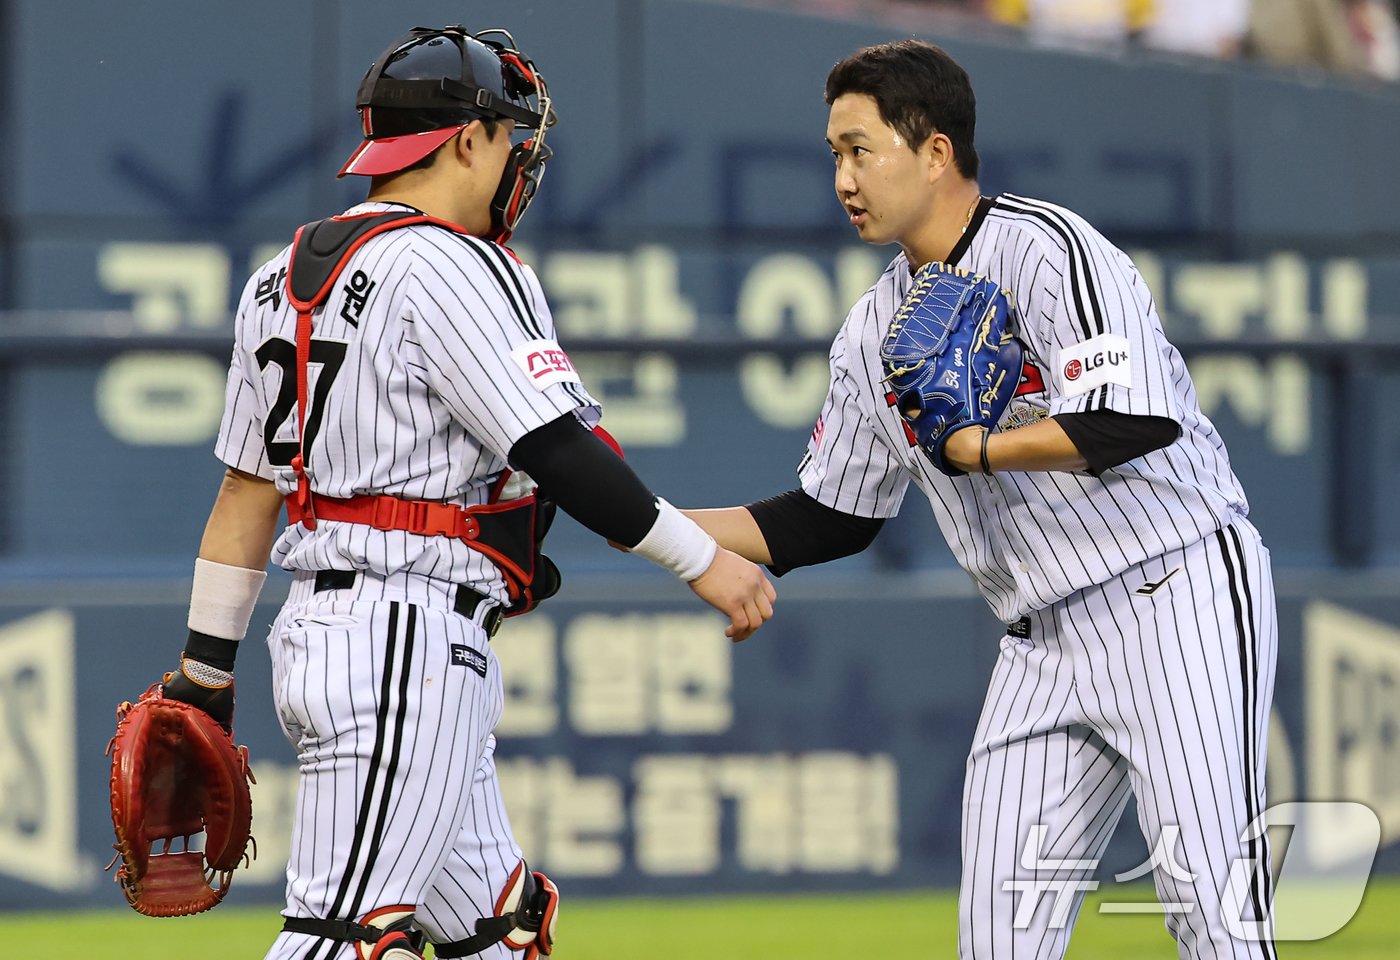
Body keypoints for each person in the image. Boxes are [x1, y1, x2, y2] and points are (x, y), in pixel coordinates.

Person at [155, 23, 775, 960]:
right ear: (469, 138)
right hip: (403, 637)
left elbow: (248, 496)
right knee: (340, 937)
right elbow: (561, 451)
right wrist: (705, 563)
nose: (520, 159)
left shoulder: (272, 280)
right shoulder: (453, 262)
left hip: (336, 635)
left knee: (498, 927)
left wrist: (204, 675)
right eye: (513, 138)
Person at [685, 39, 1277, 959]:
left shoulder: (1046, 246)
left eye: (860, 148)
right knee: (997, 939)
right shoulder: (872, 330)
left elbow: (1132, 421)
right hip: (1039, 638)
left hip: (1176, 593)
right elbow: (827, 518)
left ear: (934, 151)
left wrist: (982, 447)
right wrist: (649, 524)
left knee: (1215, 917)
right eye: (834, 154)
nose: (843, 177)